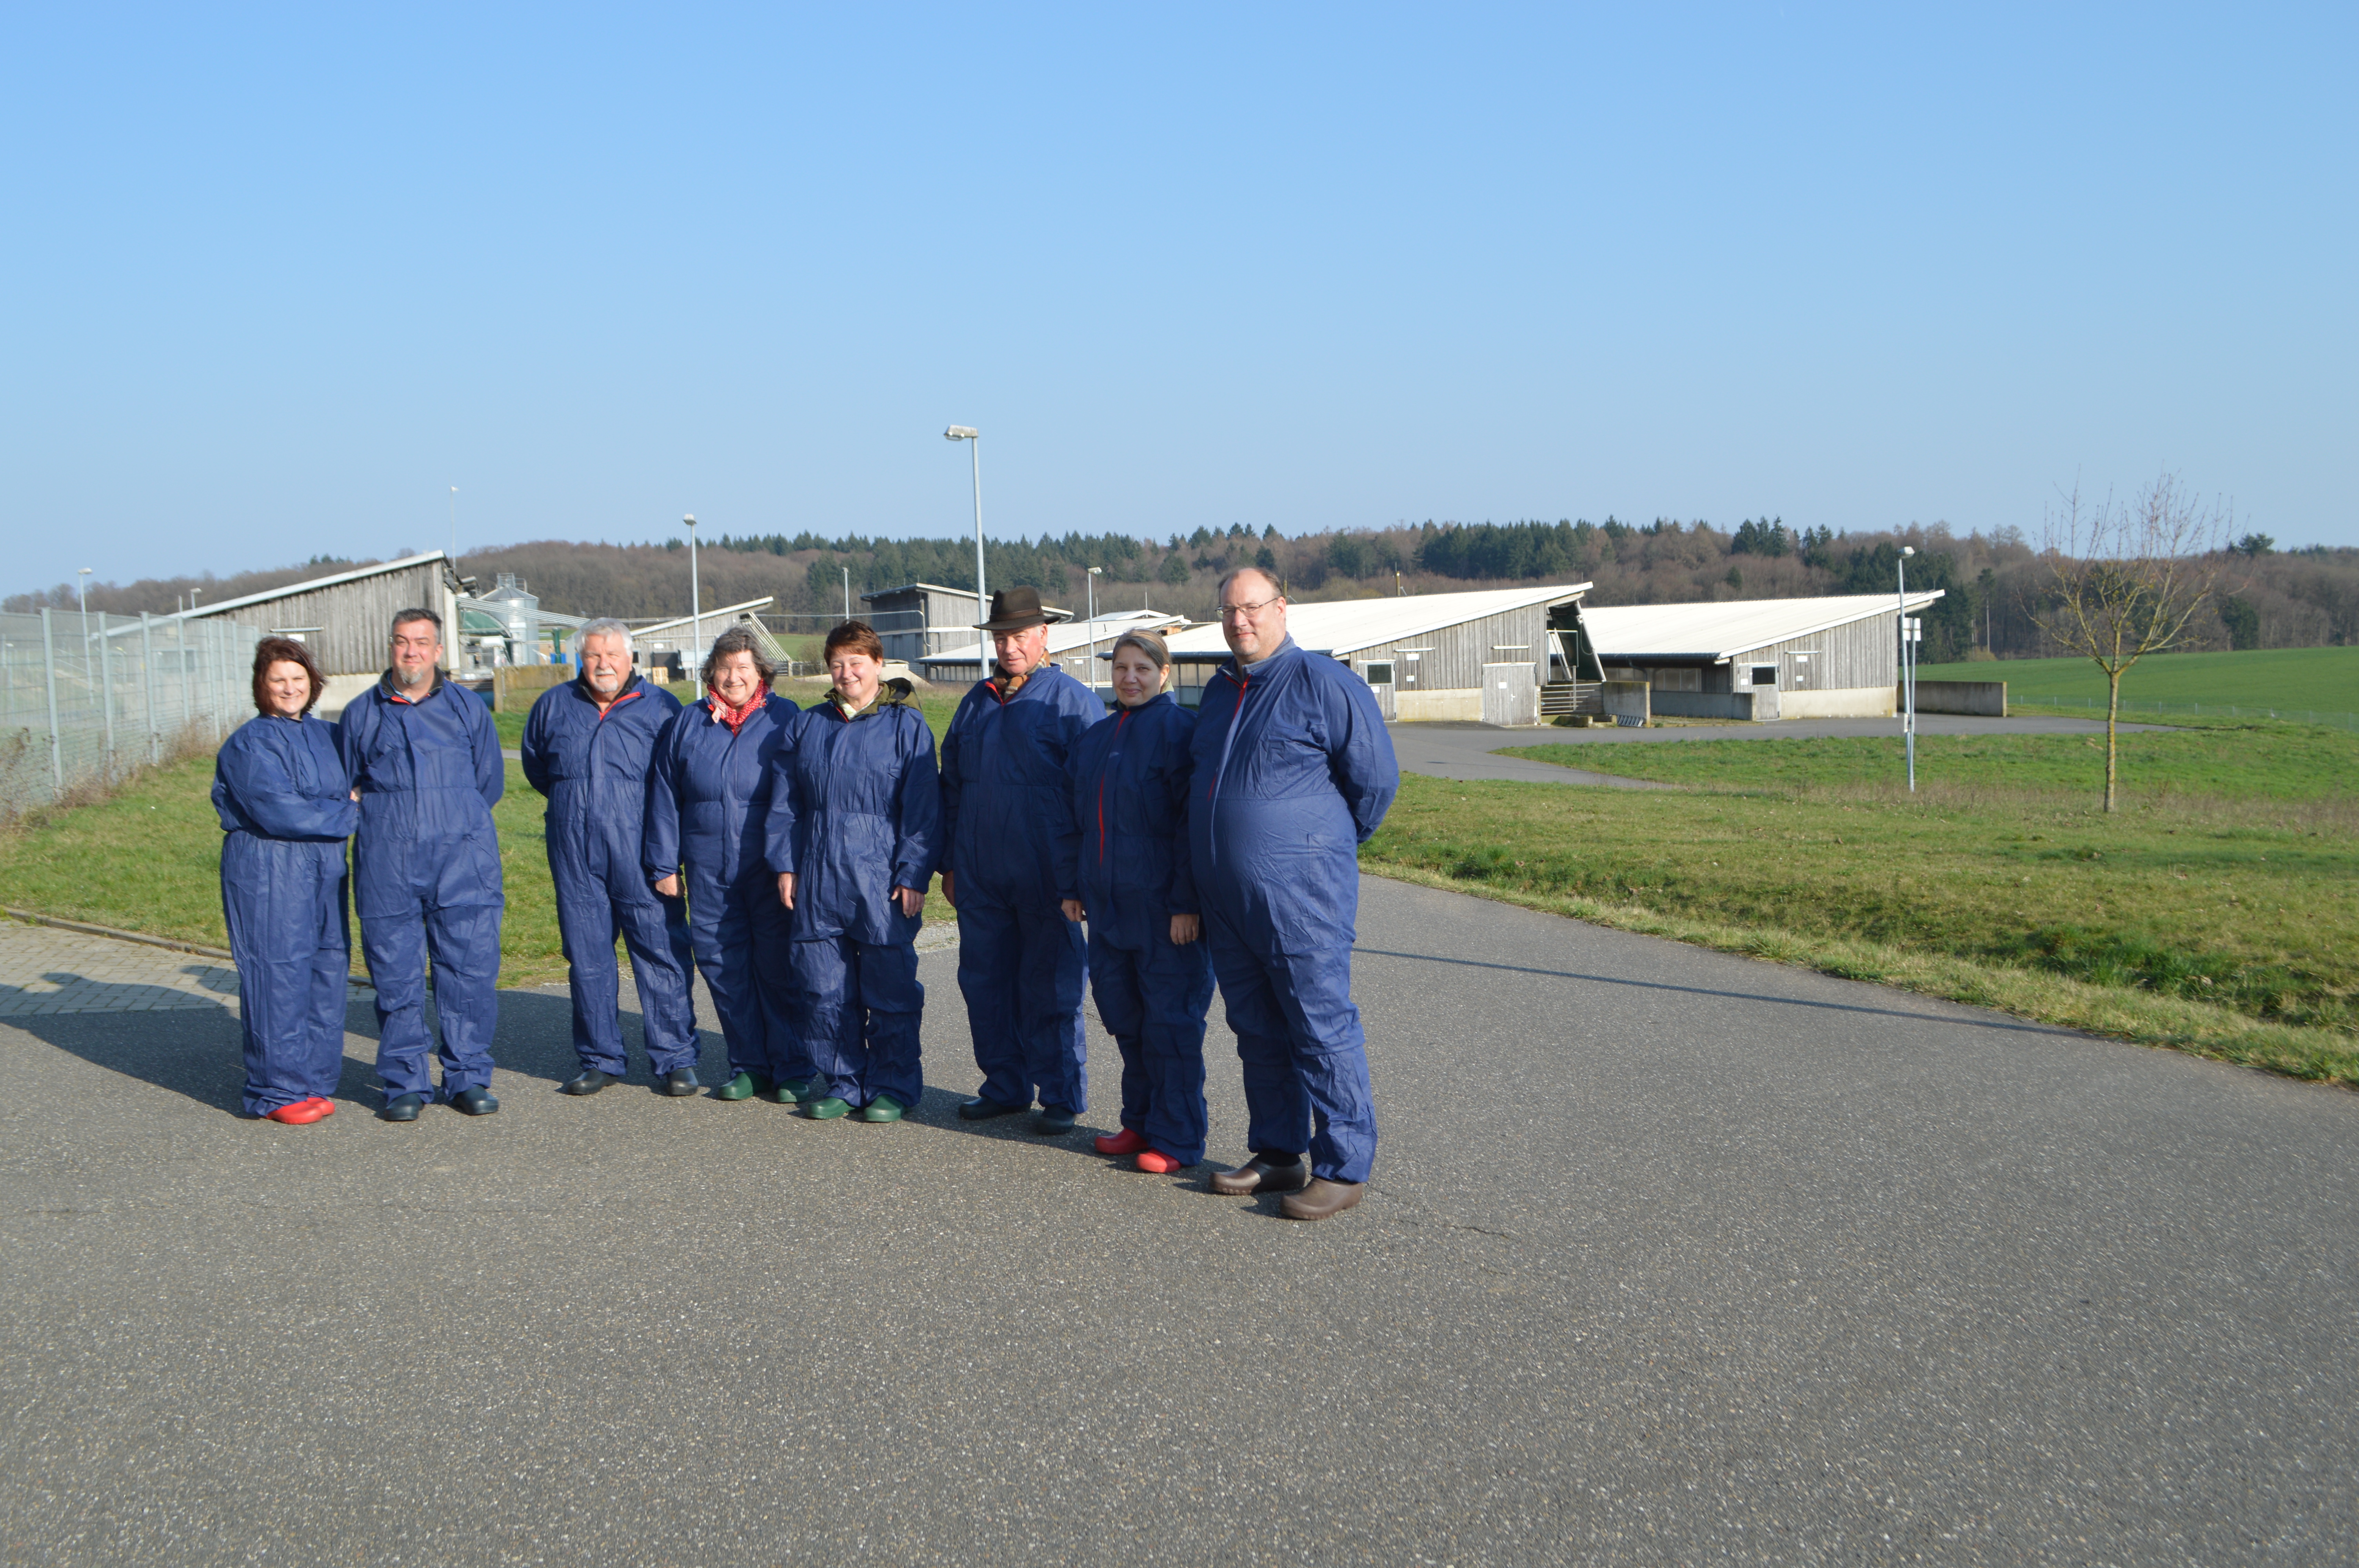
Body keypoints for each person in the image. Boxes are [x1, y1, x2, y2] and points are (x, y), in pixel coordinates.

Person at [1190, 568, 1398, 1220]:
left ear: (1281, 609)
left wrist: (1320, 847)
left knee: (1319, 1026)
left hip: (1302, 894)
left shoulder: (1321, 682)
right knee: (1256, 1029)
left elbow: (1375, 780)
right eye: (1228, 611)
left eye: (1251, 608)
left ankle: (1343, 1166)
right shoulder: (1221, 693)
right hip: (1229, 900)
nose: (1238, 622)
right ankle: (1279, 1152)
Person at [938, 586, 1106, 1135]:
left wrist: (1081, 875)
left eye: (1019, 636)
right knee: (984, 983)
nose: (1010, 646)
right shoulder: (976, 703)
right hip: (983, 872)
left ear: (1043, 637)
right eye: (1002, 637)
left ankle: (1060, 1093)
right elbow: (951, 788)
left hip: (1047, 873)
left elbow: (1094, 794)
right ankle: (1004, 1085)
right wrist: (951, 864)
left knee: (1052, 985)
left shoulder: (1071, 701)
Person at [763, 620, 940, 1122]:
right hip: (818, 874)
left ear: (878, 665)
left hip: (880, 876)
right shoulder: (808, 725)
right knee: (823, 989)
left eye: (856, 663)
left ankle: (892, 1085)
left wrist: (912, 874)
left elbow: (923, 810)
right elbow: (785, 804)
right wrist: (785, 865)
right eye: (838, 664)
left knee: (890, 990)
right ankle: (843, 1081)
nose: (847, 674)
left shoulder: (907, 727)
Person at [340, 607, 506, 1122]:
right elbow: (344, 787)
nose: (410, 651)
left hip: (463, 864)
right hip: (388, 866)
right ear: (390, 648)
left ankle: (467, 1077)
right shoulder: (362, 713)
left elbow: (489, 782)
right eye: (401, 642)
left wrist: (452, 825)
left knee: (469, 975)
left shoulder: (465, 709)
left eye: (421, 642)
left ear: (439, 651)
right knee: (397, 981)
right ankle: (404, 1082)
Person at [521, 619, 698, 1097]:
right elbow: (538, 767)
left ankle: (675, 1059)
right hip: (575, 854)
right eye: (594, 655)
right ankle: (600, 1058)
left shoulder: (661, 708)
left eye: (613, 655)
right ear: (581, 658)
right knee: (588, 957)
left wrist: (666, 854)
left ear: (630, 659)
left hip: (642, 853)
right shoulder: (554, 706)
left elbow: (680, 780)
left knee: (660, 952)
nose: (603, 664)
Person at [1060, 631, 1214, 1172]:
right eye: (1122, 668)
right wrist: (1074, 887)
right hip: (1108, 910)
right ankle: (1140, 1122)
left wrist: (1186, 904)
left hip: (1164, 912)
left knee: (1171, 1024)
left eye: (1143, 668)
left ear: (1164, 674)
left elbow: (1190, 829)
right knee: (1125, 1018)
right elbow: (1076, 823)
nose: (1130, 678)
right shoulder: (1096, 739)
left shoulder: (1181, 733)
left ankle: (1177, 1139)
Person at [645, 626, 807, 1103]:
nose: (733, 676)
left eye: (743, 667)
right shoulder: (689, 723)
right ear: (711, 672)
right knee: (723, 966)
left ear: (761, 672)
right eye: (725, 667)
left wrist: (792, 862)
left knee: (778, 966)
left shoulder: (786, 718)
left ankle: (793, 1065)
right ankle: (749, 1065)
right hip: (707, 865)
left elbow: (801, 794)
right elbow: (664, 795)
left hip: (770, 864)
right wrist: (663, 862)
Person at [213, 637, 358, 1125]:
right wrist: (349, 813)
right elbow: (281, 811)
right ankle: (275, 1089)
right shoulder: (250, 742)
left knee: (326, 967)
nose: (290, 688)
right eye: (278, 680)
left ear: (312, 683)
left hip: (324, 866)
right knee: (277, 971)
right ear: (262, 686)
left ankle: (313, 1078)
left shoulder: (329, 735)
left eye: (298, 678)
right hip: (270, 867)